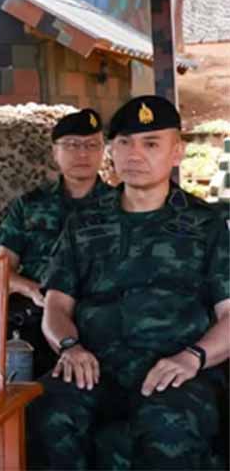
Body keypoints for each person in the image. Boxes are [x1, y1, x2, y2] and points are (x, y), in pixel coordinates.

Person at [27, 96, 229, 469]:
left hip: (175, 369)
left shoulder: (206, 225)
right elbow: (56, 305)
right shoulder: (84, 223)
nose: (134, 154)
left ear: (177, 152)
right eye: (124, 142)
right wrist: (69, 346)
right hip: (94, 365)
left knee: (170, 427)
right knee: (49, 411)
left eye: (151, 143)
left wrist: (193, 357)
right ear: (112, 151)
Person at [0, 109, 112, 378]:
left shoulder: (121, 204)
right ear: (54, 152)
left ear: (104, 151)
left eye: (92, 145)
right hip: (35, 314)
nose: (82, 153)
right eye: (72, 145)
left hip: (99, 316)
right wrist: (31, 289)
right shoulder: (29, 205)